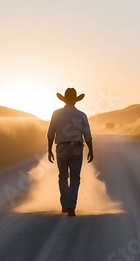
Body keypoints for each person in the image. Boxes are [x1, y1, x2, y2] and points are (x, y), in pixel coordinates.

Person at [47, 88, 94, 217]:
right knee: (75, 178)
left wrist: (49, 150)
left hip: (61, 147)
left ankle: (64, 206)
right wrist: (91, 150)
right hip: (76, 148)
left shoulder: (56, 114)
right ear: (75, 101)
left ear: (64, 100)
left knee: (62, 177)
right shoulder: (81, 115)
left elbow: (50, 134)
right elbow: (87, 134)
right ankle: (71, 206)